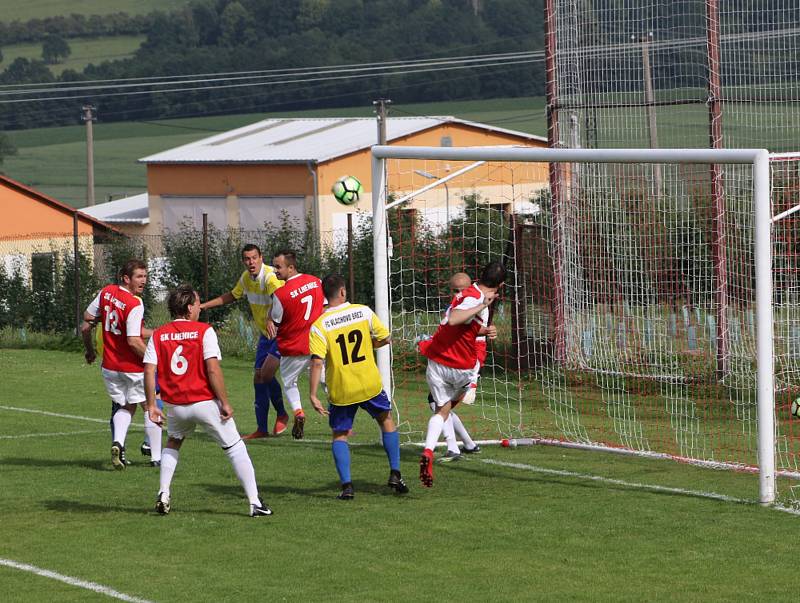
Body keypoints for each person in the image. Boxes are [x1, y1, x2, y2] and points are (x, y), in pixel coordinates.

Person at [144, 284, 272, 517]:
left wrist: (152, 405)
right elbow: (212, 370)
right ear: (189, 307)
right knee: (234, 446)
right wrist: (225, 401)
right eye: (198, 303)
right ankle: (255, 502)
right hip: (204, 402)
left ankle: (163, 492)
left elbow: (149, 371)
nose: (200, 308)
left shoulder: (159, 335)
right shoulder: (204, 331)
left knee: (173, 442)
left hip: (175, 405)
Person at [308, 274, 409, 499]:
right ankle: (395, 472)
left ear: (325, 295)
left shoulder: (319, 326)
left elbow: (317, 361)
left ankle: (347, 487)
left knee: (340, 435)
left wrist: (313, 394)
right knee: (386, 421)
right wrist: (368, 344)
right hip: (369, 384)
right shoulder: (363, 311)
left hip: (342, 388)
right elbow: (385, 338)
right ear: (343, 292)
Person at [418, 261, 506, 487]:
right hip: (459, 367)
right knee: (445, 407)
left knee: (440, 409)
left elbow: (460, 323)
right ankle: (458, 443)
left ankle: (430, 449)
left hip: (436, 360)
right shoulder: (477, 300)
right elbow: (456, 318)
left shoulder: (469, 293)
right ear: (501, 285)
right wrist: (482, 306)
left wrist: (484, 329)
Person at [200, 244, 288, 439]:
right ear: (243, 261)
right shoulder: (246, 278)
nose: (251, 262)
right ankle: (263, 428)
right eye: (247, 259)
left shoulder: (269, 276)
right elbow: (232, 295)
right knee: (260, 377)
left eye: (254, 258)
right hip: (266, 335)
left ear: (261, 257)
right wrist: (204, 306)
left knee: (263, 376)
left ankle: (282, 414)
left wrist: (272, 317)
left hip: (281, 332)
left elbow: (280, 298)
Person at [81, 259, 163, 469]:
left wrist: (89, 350)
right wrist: (153, 361)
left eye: (145, 276)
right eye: (139, 277)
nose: (143, 281)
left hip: (110, 366)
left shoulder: (106, 292)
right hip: (132, 367)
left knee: (126, 406)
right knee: (149, 405)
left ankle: (118, 443)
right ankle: (156, 457)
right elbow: (134, 340)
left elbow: (87, 319)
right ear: (126, 278)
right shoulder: (135, 303)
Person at [429, 272, 491, 461]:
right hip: (458, 359)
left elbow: (472, 332)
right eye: (454, 290)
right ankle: (468, 445)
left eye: (461, 290)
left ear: (470, 287)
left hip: (468, 360)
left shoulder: (474, 302)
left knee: (438, 404)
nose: (458, 294)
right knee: (440, 404)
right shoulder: (461, 303)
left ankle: (453, 448)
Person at [269, 250, 325, 439]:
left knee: (289, 383)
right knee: (326, 382)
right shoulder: (316, 281)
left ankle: (298, 412)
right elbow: (325, 307)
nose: (275, 270)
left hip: (293, 347)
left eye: (278, 266)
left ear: (291, 267)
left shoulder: (280, 294)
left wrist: (270, 317)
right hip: (317, 344)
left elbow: (276, 321)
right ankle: (341, 421)